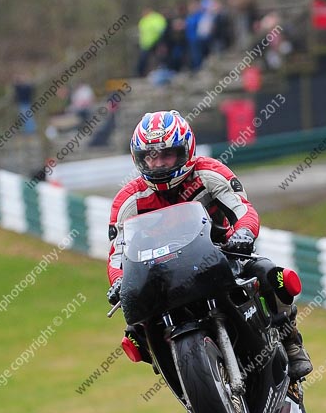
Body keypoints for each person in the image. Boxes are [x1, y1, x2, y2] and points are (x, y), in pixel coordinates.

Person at [106, 110, 313, 379]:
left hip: (221, 255)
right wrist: (119, 281)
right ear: (139, 159)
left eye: (167, 154)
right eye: (150, 157)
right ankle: (177, 376)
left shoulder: (209, 173)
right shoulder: (128, 201)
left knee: (272, 274)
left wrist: (244, 234)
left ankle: (290, 341)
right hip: (161, 275)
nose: (158, 164)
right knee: (134, 332)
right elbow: (117, 253)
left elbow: (243, 210)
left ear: (186, 149)